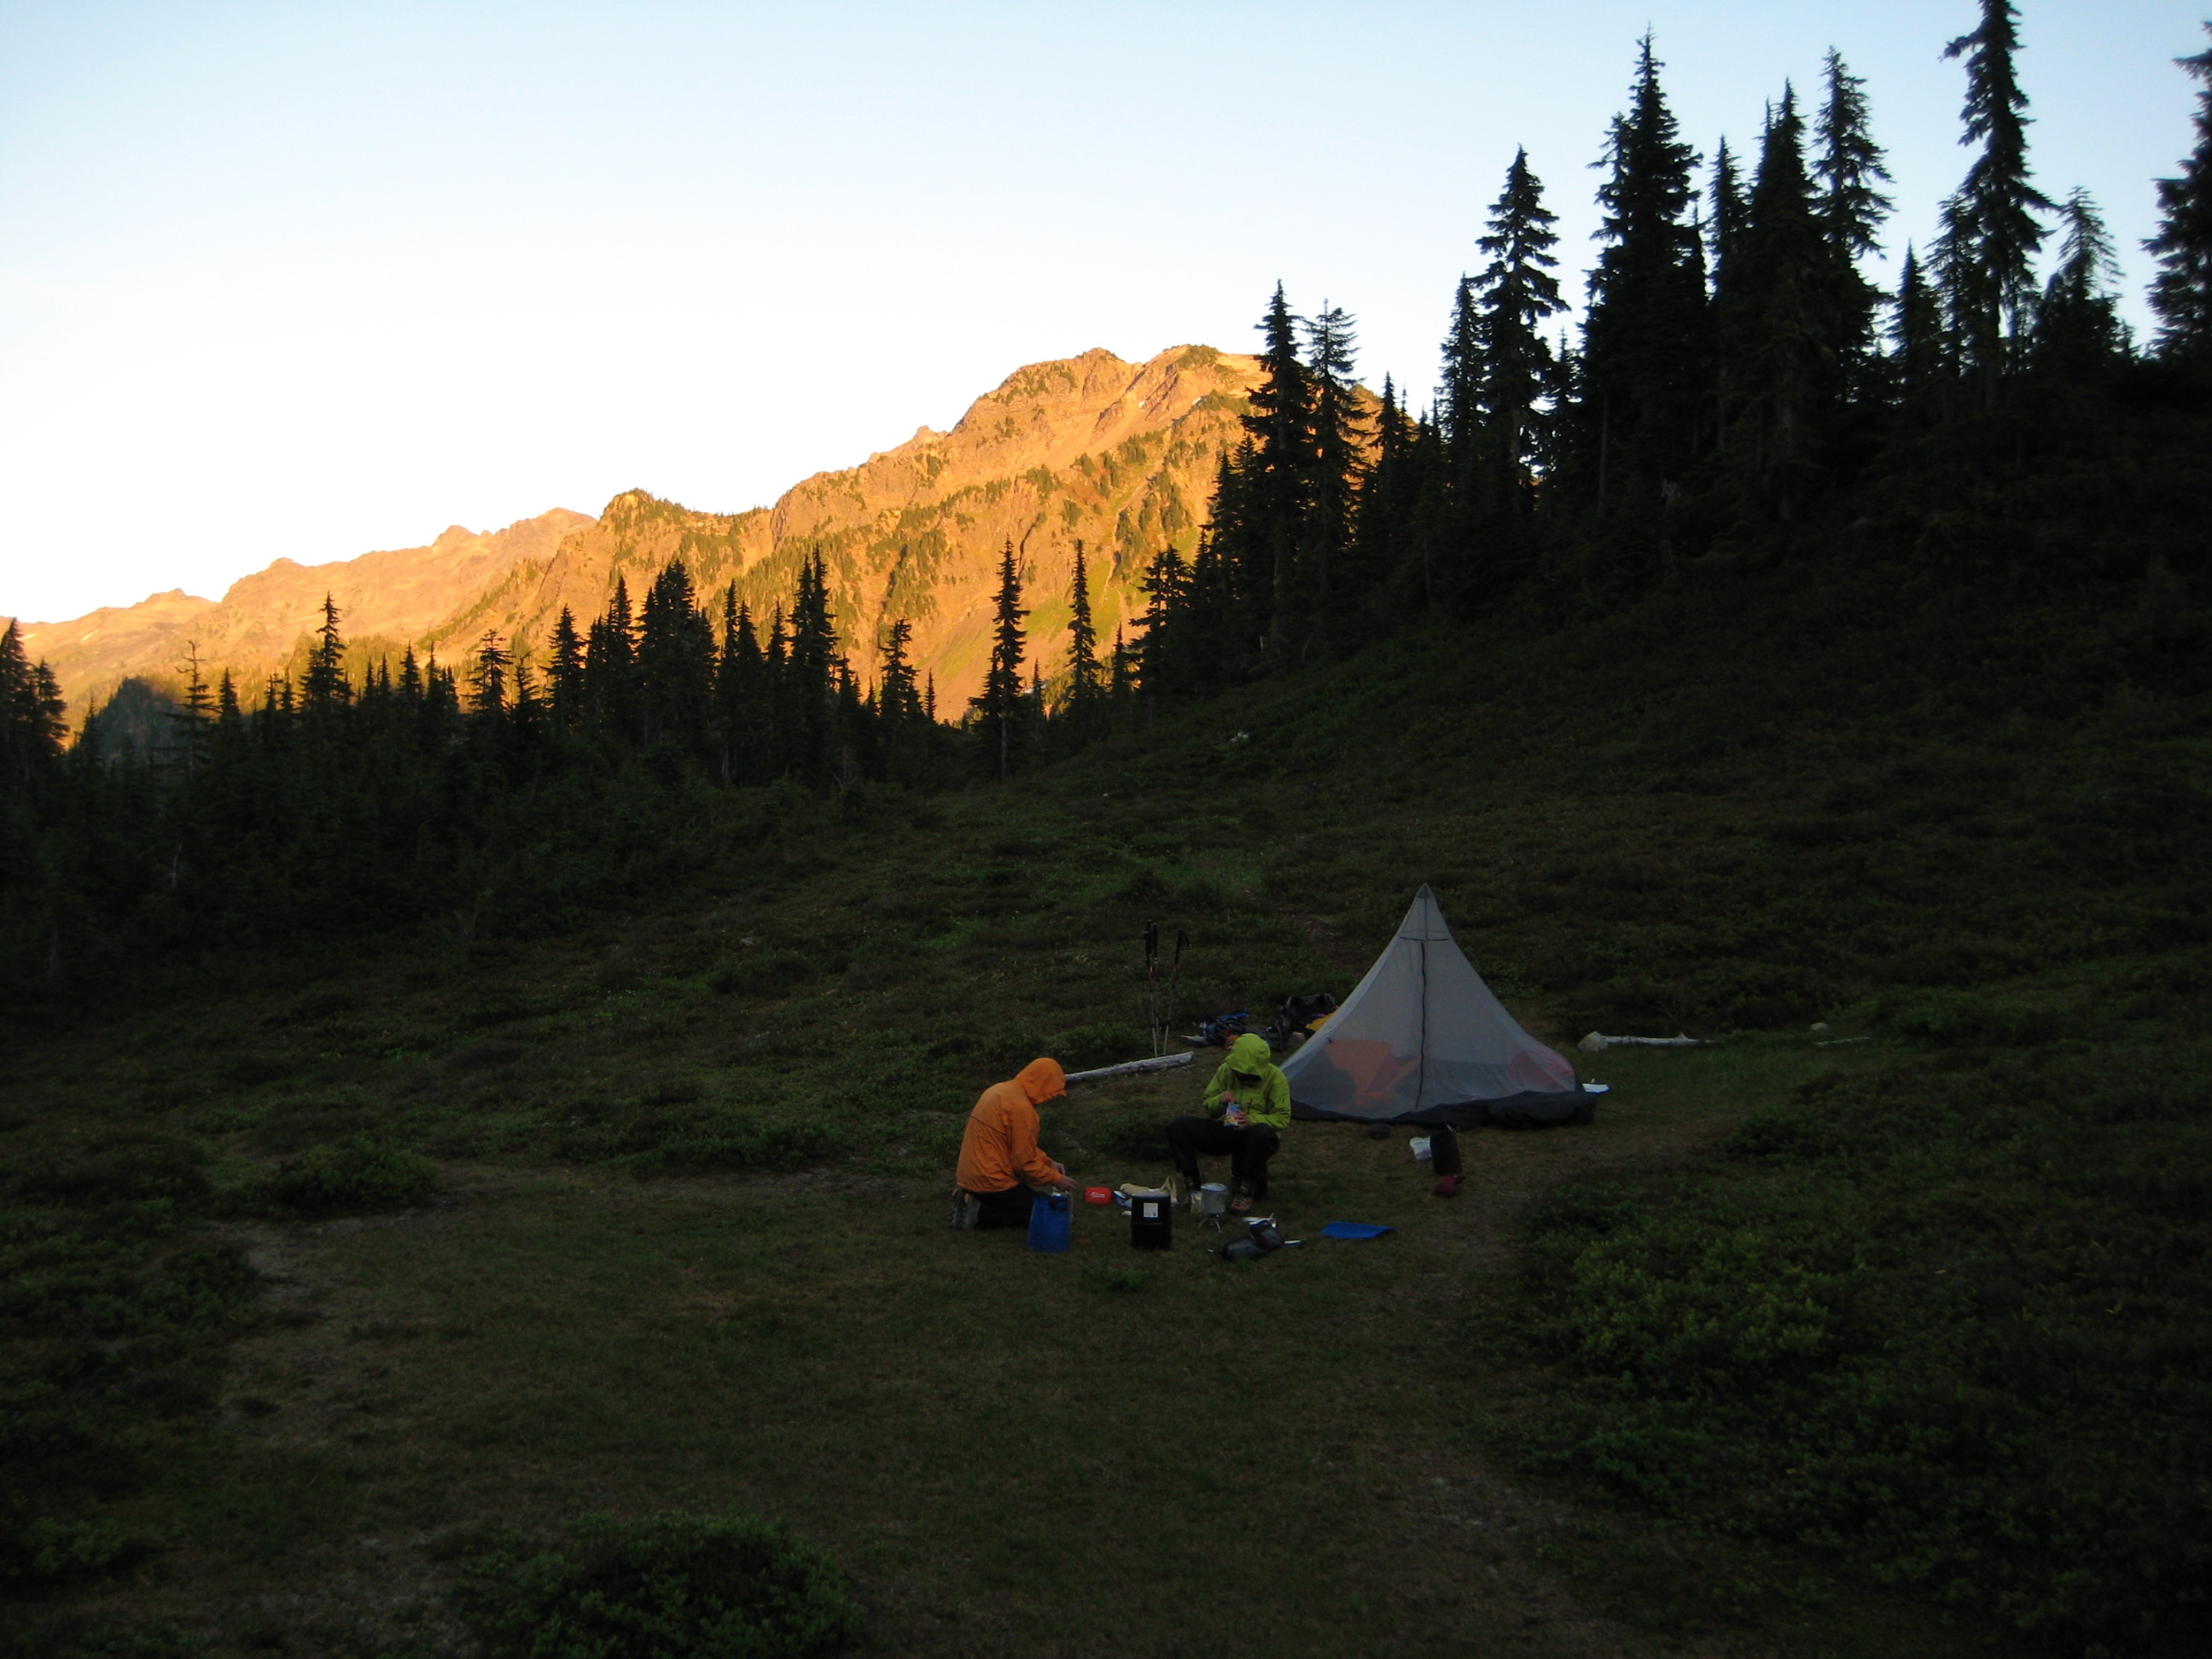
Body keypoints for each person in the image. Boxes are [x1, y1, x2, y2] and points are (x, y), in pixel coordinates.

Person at [1167, 1032, 1289, 1213]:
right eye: (1239, 1072)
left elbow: (1282, 1117)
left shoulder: (1276, 1078)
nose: (1241, 1075)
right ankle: (1194, 1191)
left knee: (1261, 1133)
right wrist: (1220, 1100)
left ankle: (1245, 1192)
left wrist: (1251, 1120)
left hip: (1256, 1137)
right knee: (1178, 1126)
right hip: (1227, 1131)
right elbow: (1210, 1108)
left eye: (1246, 1073)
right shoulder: (1226, 1070)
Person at [952, 1057, 1079, 1230]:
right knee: (1043, 1213)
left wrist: (1048, 1163)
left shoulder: (1000, 1090)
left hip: (969, 1175)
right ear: (1044, 1084)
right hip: (992, 1180)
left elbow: (1018, 1145)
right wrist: (1055, 1179)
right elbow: (1023, 1164)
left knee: (1024, 1201)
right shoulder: (1022, 1109)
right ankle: (979, 1215)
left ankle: (970, 1198)